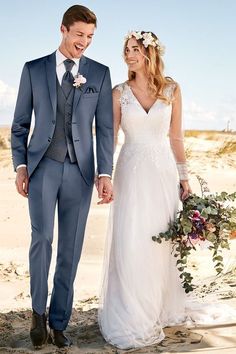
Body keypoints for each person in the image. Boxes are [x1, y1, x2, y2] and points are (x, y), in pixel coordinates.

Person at [11, 5, 113, 349]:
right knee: (42, 241)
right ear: (63, 30)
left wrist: (104, 172)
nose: (84, 42)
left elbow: (106, 131)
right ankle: (37, 316)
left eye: (90, 36)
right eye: (79, 34)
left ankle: (59, 322)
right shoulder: (34, 69)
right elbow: (20, 125)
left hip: (80, 173)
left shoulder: (99, 73)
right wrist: (21, 166)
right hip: (42, 169)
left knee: (70, 250)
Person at [98, 30, 192, 349]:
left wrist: (184, 177)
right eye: (126, 49)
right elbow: (109, 138)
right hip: (130, 170)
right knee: (131, 238)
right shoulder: (118, 93)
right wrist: (104, 175)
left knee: (160, 238)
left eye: (135, 48)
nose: (128, 54)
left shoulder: (172, 89)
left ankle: (157, 306)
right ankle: (131, 310)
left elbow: (176, 138)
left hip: (162, 171)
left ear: (150, 52)